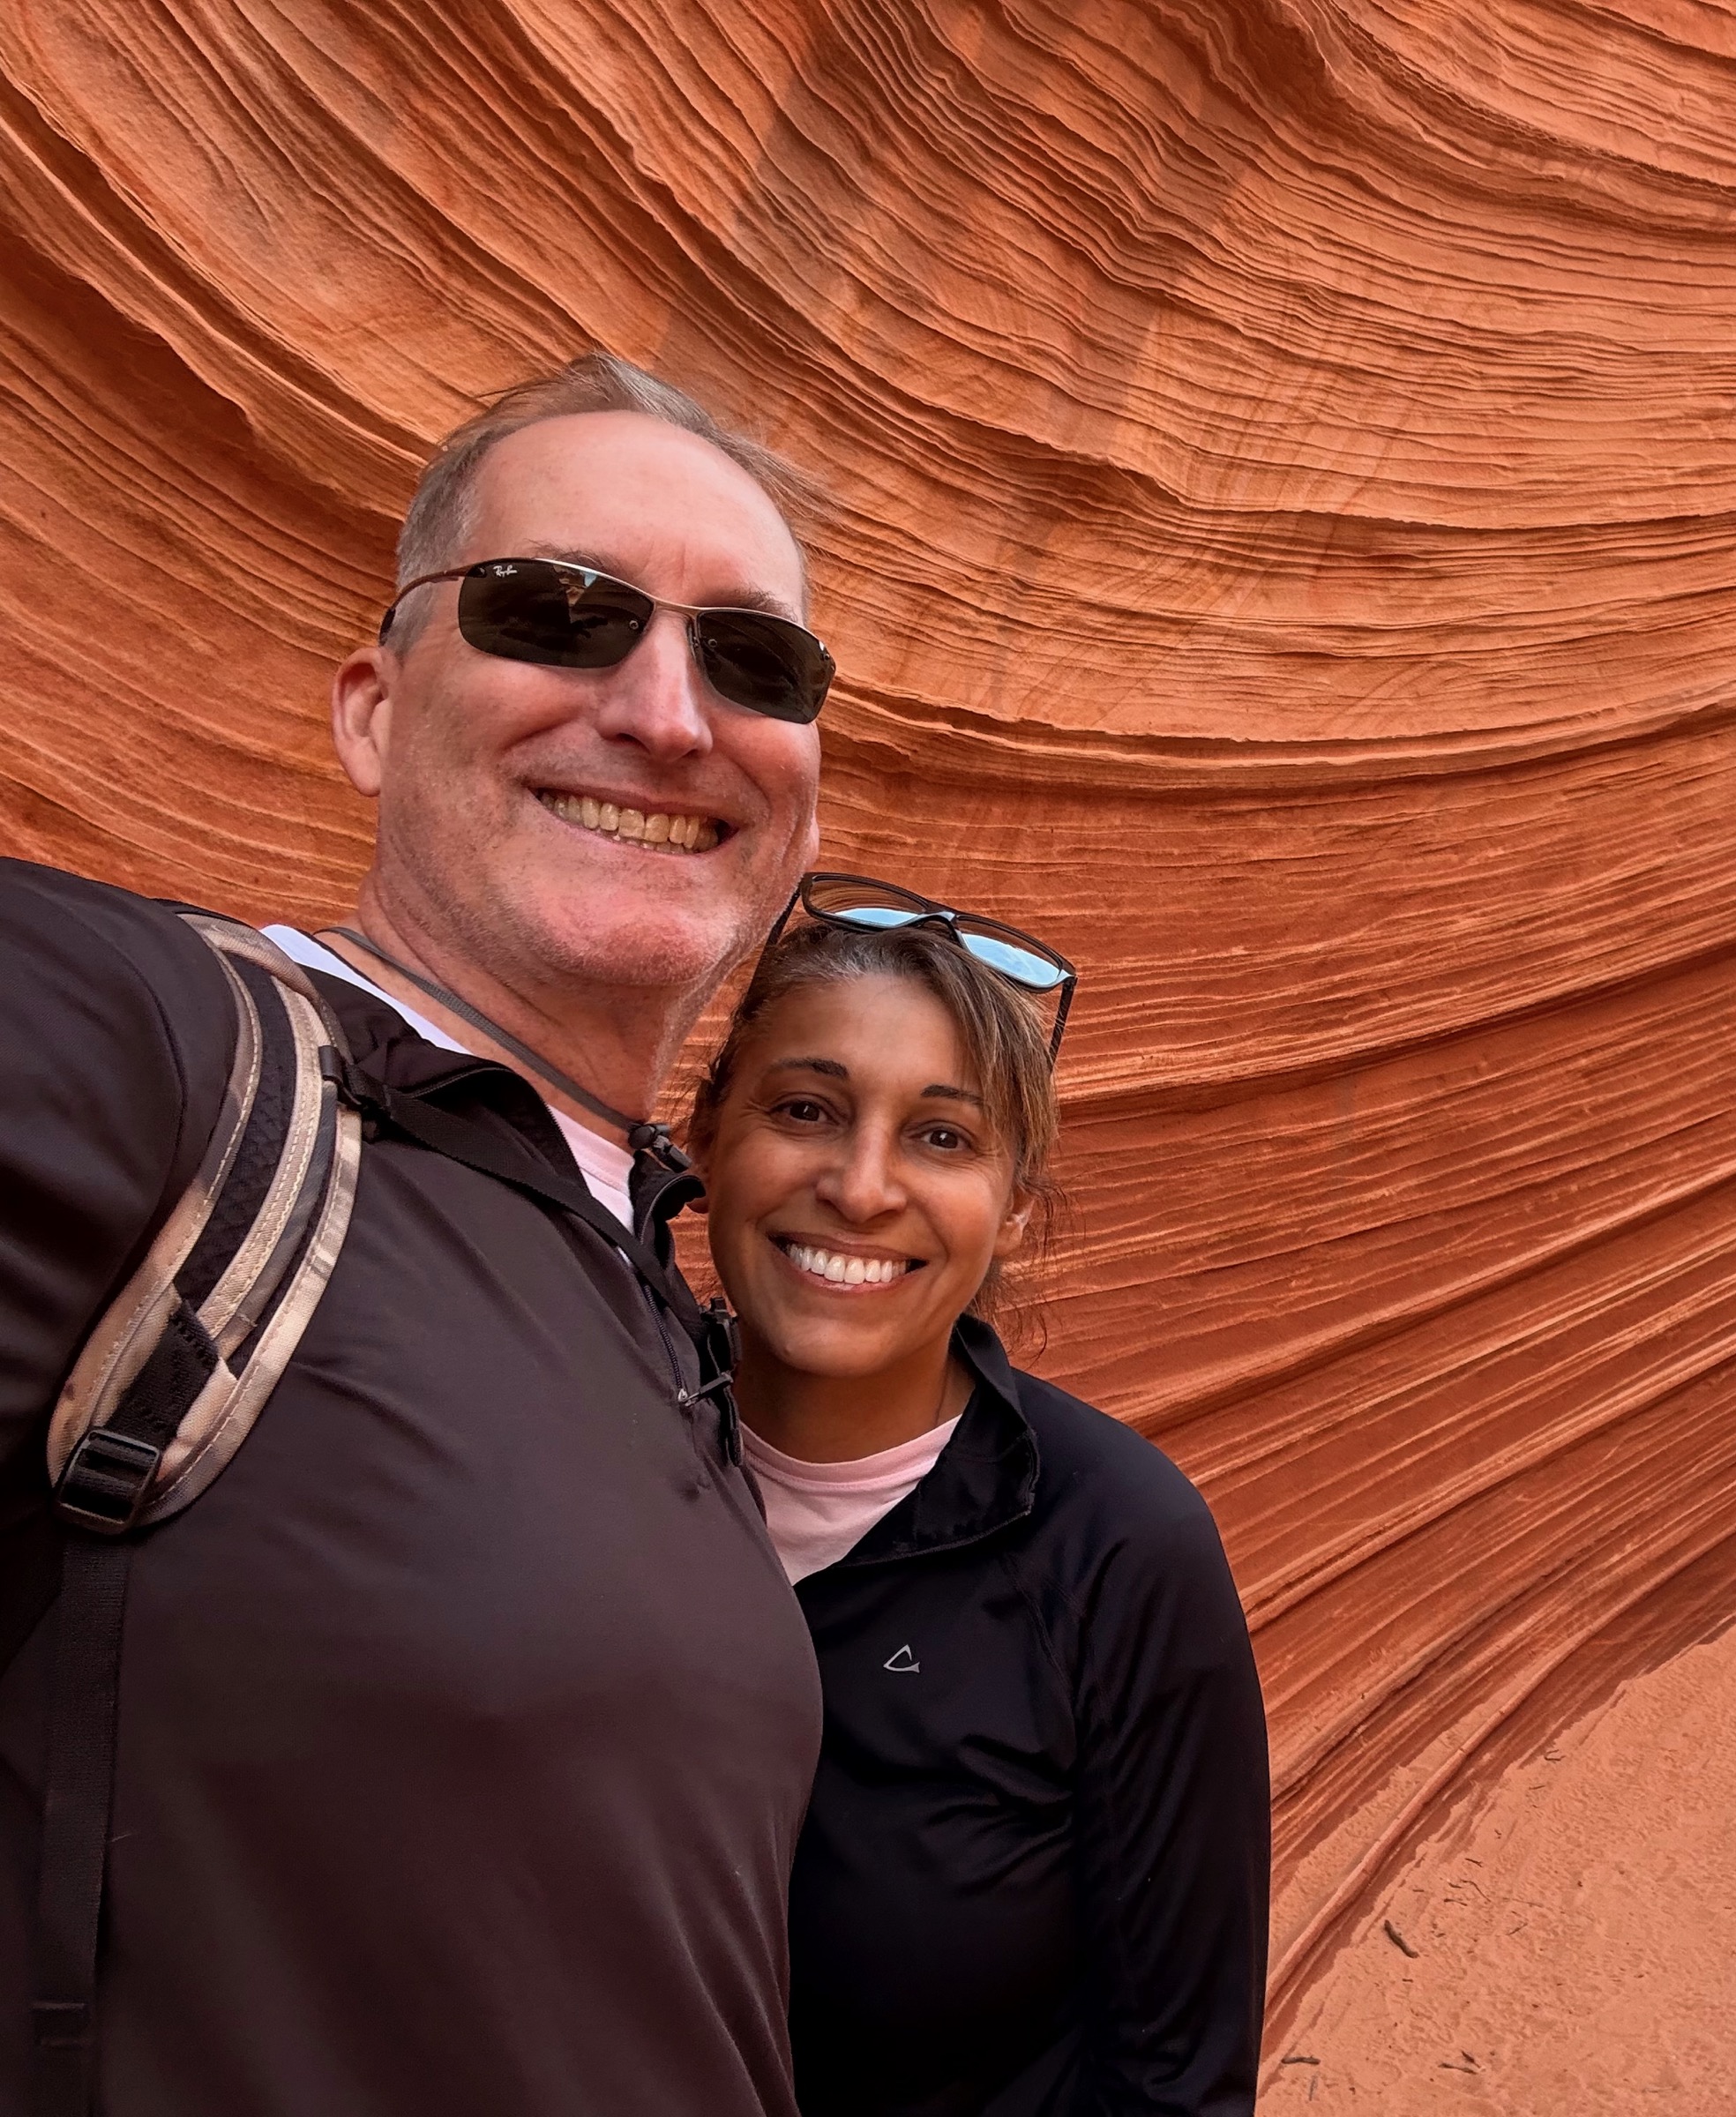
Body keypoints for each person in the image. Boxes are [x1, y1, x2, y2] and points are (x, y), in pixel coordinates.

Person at [0, 354, 837, 2115]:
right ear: (374, 711)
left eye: (753, 660)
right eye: (560, 613)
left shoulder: (642, 1266)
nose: (670, 714)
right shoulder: (158, 1052)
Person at [690, 876, 1270, 2116]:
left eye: (942, 1137)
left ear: (1013, 1210)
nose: (861, 1186)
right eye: (806, 1109)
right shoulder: (589, 1450)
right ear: (705, 1139)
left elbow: (1175, 2079)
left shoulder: (1117, 1548)